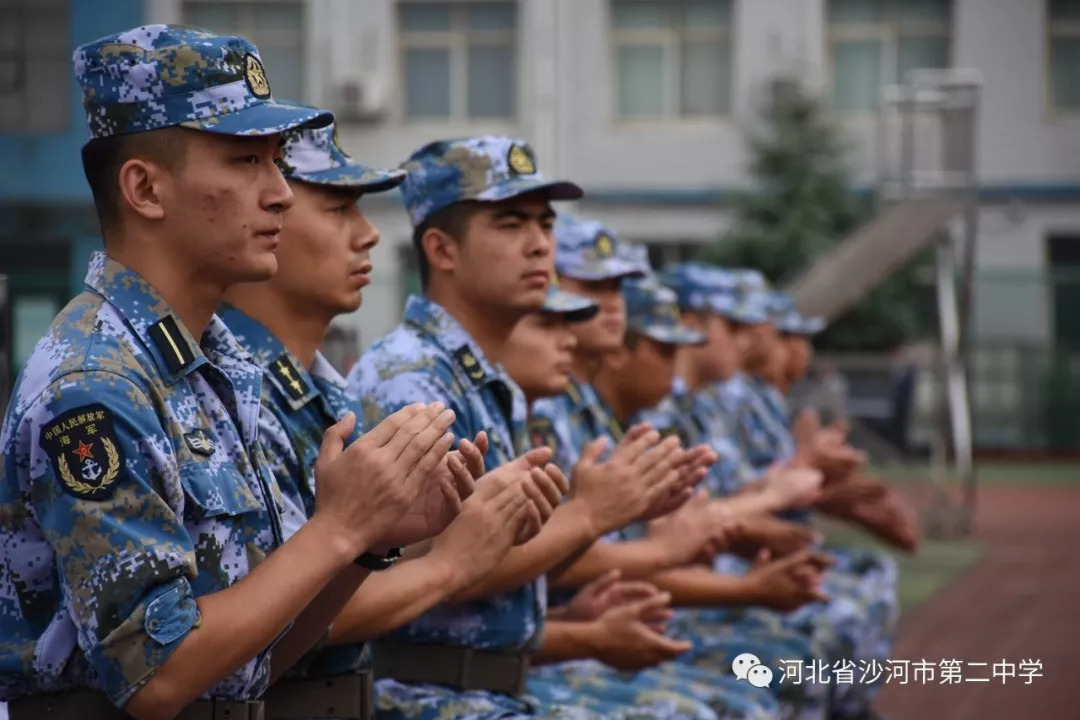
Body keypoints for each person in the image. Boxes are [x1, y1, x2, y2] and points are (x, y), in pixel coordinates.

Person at [0, 25, 458, 720]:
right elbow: (158, 676)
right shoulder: (94, 385)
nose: (279, 194)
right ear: (145, 189)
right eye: (246, 162)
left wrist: (368, 541)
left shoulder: (210, 366)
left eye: (276, 163)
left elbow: (258, 659)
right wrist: (337, 529)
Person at [219, 123, 556, 719]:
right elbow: (268, 625)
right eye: (340, 209)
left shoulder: (322, 391)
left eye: (545, 224)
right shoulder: (236, 390)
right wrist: (583, 519)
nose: (370, 234)